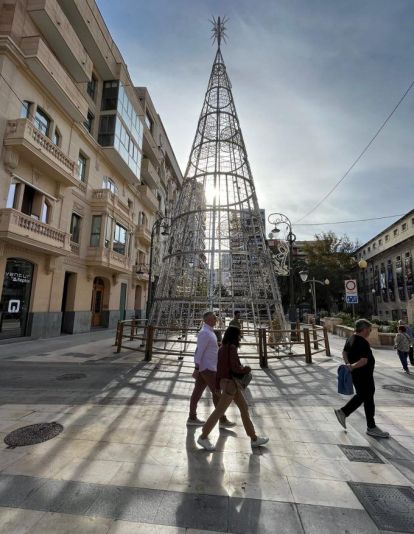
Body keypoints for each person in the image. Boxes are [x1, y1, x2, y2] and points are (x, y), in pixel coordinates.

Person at [197, 325, 269, 451]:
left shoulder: (222, 348)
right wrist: (247, 369)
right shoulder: (232, 348)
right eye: (239, 334)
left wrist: (217, 385)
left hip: (226, 383)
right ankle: (203, 436)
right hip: (231, 384)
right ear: (234, 336)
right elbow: (235, 367)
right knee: (219, 411)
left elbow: (218, 368)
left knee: (244, 408)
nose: (240, 337)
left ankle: (253, 438)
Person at [334, 319, 390, 438]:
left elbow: (344, 353)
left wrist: (349, 364)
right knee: (367, 398)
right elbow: (364, 361)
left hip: (357, 375)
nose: (369, 332)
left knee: (363, 397)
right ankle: (370, 426)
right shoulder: (362, 342)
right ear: (364, 330)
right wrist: (351, 367)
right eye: (369, 330)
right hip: (364, 375)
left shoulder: (351, 338)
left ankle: (346, 413)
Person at [187, 311, 235, 428]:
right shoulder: (205, 333)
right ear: (207, 320)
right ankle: (222, 419)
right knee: (217, 392)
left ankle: (192, 417)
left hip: (208, 367)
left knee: (197, 392)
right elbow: (199, 351)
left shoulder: (209, 332)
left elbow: (208, 349)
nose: (216, 319)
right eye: (214, 318)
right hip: (207, 368)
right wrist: (196, 368)